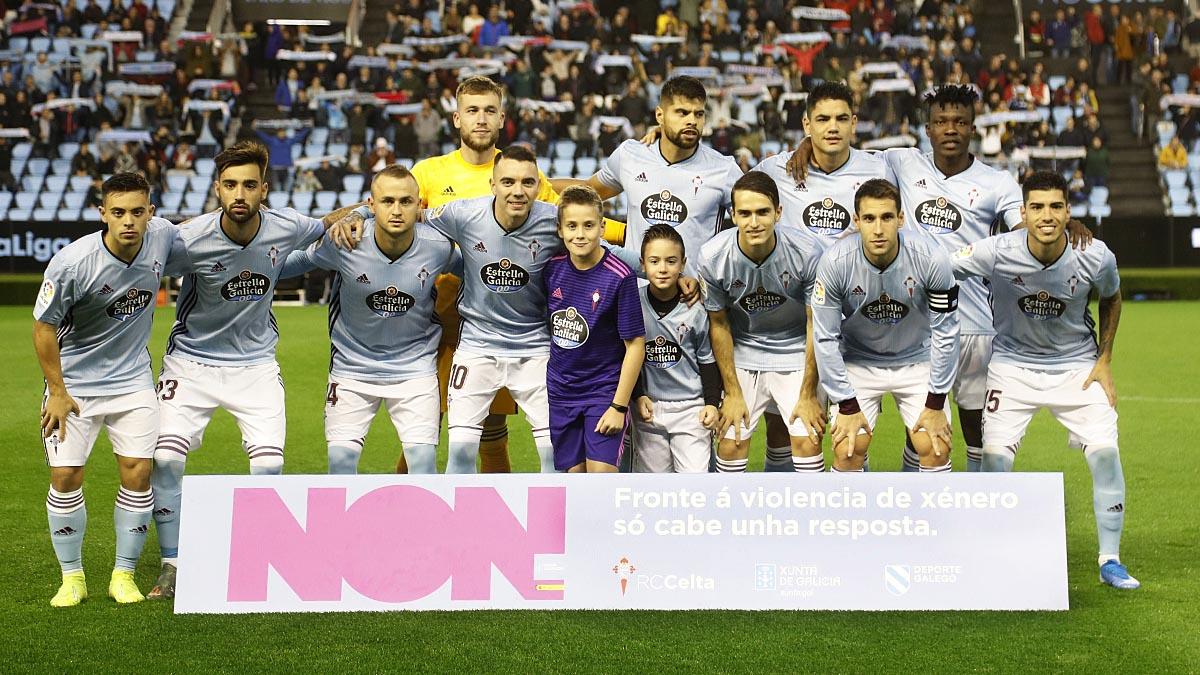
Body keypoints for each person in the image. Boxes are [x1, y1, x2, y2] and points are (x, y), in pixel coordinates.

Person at [790, 84, 1092, 474]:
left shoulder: (997, 182)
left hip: (972, 325)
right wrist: (804, 148)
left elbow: (1027, 230)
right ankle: (917, 500)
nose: (950, 129)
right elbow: (845, 154)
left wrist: (1066, 221)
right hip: (913, 323)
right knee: (916, 424)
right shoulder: (900, 162)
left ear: (973, 128)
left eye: (960, 122)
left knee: (971, 430)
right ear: (927, 129)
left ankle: (977, 505)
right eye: (941, 121)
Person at [147, 141, 361, 600]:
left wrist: (363, 210)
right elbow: (138, 267)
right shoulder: (189, 239)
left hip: (256, 365)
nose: (239, 194)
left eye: (248, 184)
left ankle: (257, 555)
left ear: (264, 189)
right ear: (217, 189)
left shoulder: (286, 225)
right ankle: (172, 562)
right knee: (164, 459)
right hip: (191, 363)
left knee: (269, 466)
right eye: (229, 185)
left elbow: (326, 223)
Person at [951, 170, 1137, 590]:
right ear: (1023, 212)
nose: (1046, 215)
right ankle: (989, 554)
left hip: (1077, 369)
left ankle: (1111, 560)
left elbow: (1112, 296)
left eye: (1055, 206)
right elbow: (942, 269)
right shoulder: (996, 251)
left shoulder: (1096, 255)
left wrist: (1104, 359)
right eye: (1037, 207)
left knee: (1106, 454)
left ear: (1069, 212)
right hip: (1011, 369)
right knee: (995, 462)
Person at [33, 173, 183, 606]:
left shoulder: (161, 238)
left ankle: (124, 574)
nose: (129, 222)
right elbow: (43, 328)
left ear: (151, 213)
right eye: (118, 213)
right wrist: (56, 390)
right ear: (103, 214)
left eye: (138, 212)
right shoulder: (72, 262)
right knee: (65, 476)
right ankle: (72, 577)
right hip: (75, 386)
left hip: (133, 383)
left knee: (138, 474)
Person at [280, 165, 460, 474]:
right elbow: (291, 263)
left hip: (415, 370)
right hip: (352, 371)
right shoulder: (345, 243)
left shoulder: (438, 247)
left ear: (419, 205)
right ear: (371, 205)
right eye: (387, 201)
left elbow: (479, 273)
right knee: (341, 465)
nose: (396, 210)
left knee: (424, 467)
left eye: (406, 201)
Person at [420, 145, 561, 474]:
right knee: (460, 454)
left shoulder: (554, 221)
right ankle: (462, 525)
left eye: (528, 182)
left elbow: (600, 240)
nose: (518, 191)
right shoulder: (463, 214)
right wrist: (358, 216)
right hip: (477, 348)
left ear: (539, 187)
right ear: (492, 184)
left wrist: (657, 272)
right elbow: (411, 214)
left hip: (535, 349)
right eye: (508, 182)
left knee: (555, 455)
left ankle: (548, 524)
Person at [811, 179, 960, 472]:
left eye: (886, 217)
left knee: (935, 446)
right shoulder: (835, 262)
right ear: (856, 221)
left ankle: (927, 515)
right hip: (858, 360)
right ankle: (858, 517)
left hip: (917, 358)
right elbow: (825, 338)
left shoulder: (932, 258)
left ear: (900, 219)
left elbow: (946, 332)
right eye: (869, 218)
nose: (878, 229)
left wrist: (935, 402)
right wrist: (847, 405)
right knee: (848, 450)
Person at [699, 171, 827, 473]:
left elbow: (815, 324)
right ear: (733, 215)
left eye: (762, 212)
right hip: (744, 353)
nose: (753, 222)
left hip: (796, 352)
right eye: (744, 213)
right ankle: (731, 520)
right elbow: (718, 325)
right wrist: (731, 393)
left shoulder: (807, 253)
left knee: (808, 440)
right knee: (730, 443)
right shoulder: (713, 256)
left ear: (778, 212)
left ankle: (806, 519)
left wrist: (808, 394)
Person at [544, 186, 646, 472]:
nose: (580, 234)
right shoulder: (552, 269)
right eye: (572, 226)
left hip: (603, 391)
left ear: (602, 227)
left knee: (600, 480)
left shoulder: (619, 276)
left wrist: (619, 406)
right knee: (574, 481)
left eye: (588, 226)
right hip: (561, 391)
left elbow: (636, 344)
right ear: (560, 230)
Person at [631, 224, 722, 473]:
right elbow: (627, 357)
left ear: (683, 264)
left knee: (694, 488)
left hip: (691, 409)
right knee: (654, 491)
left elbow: (707, 360)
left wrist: (712, 403)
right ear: (642, 264)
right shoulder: (632, 303)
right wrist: (637, 395)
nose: (662, 268)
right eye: (654, 261)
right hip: (648, 409)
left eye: (671, 261)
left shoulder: (695, 308)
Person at [754, 82, 893, 240]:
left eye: (841, 119)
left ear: (853, 124)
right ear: (807, 125)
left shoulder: (879, 171)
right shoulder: (775, 170)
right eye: (822, 119)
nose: (833, 127)